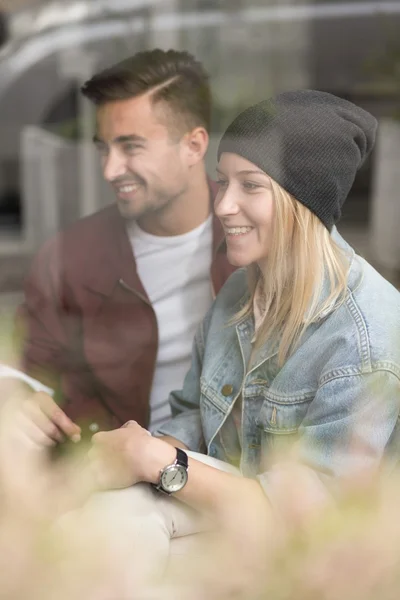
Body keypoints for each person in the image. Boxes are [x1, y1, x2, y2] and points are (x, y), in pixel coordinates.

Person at [12, 90, 400, 597]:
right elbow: (194, 415)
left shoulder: (365, 335)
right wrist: (141, 449)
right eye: (224, 181)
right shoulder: (243, 291)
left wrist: (159, 463)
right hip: (236, 520)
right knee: (109, 518)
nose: (223, 204)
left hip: (325, 559)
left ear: (302, 201)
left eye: (251, 186)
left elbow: (310, 520)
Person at [1, 49, 235, 435]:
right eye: (103, 148)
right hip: (114, 473)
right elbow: (28, 366)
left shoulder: (255, 238)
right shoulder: (71, 256)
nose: (110, 169)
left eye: (131, 147)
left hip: (232, 472)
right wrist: (21, 396)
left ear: (193, 146)